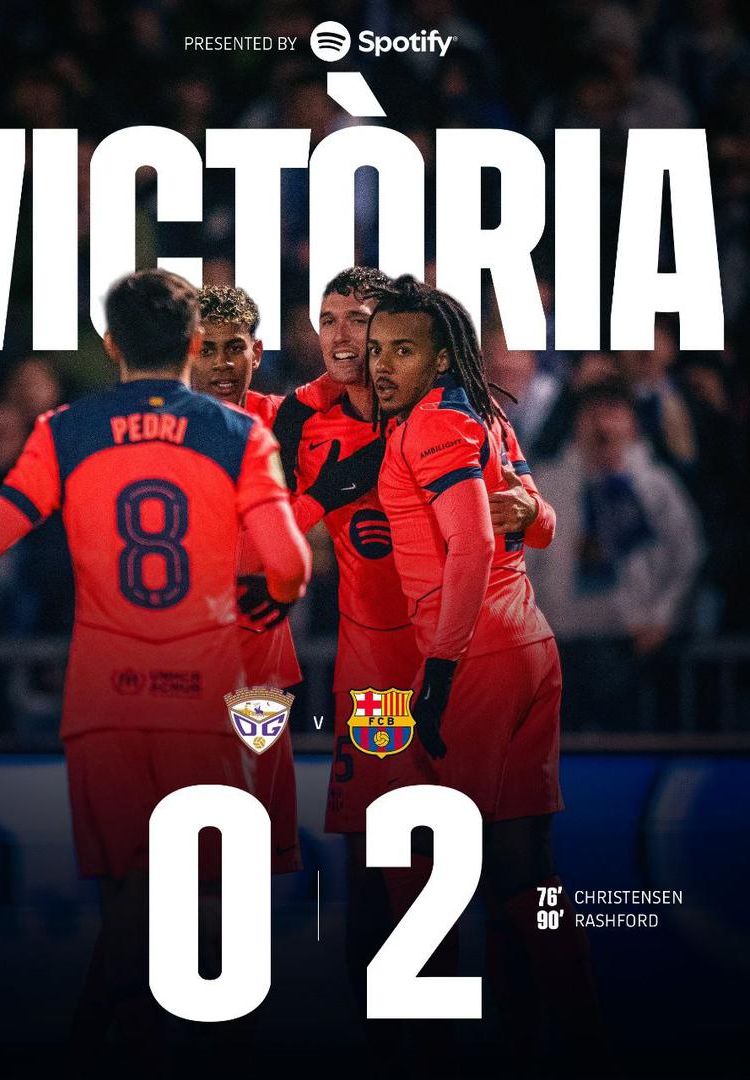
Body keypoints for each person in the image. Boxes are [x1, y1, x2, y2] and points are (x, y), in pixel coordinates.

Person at [0, 269, 311, 1049]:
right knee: (194, 908)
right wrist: (269, 594)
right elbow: (290, 565)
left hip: (103, 701)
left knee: (128, 905)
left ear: (110, 345)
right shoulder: (240, 435)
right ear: (195, 344)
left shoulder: (65, 429)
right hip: (202, 704)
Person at [272, 267, 550, 1022]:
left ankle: (530, 1041)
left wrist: (529, 512)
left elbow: (536, 517)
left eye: (360, 320)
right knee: (379, 868)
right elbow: (261, 533)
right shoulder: (300, 420)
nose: (343, 336)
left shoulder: (465, 412)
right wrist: (321, 496)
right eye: (329, 319)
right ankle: (399, 1048)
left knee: (506, 863)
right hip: (378, 684)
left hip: (466, 667)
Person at [367, 274, 599, 1066]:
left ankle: (464, 1047)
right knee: (525, 866)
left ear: (440, 358)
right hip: (527, 644)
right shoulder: (485, 413)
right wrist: (536, 512)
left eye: (403, 350)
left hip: (475, 656)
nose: (382, 365)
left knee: (450, 861)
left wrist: (437, 673)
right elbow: (541, 521)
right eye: (377, 350)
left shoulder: (431, 424)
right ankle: (565, 1040)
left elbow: (469, 545)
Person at [193, 283, 301, 874]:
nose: (222, 363)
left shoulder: (288, 418)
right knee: (187, 805)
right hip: (180, 643)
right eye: (206, 349)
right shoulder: (157, 426)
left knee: (260, 801)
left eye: (234, 347)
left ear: (256, 352)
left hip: (259, 641)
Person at [526, 382, 704, 730]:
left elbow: (687, 558)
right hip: (560, 641)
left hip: (633, 643)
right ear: (577, 424)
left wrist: (663, 618)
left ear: (632, 424)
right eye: (593, 414)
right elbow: (522, 561)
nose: (602, 424)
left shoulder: (657, 486)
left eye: (613, 413)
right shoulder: (547, 483)